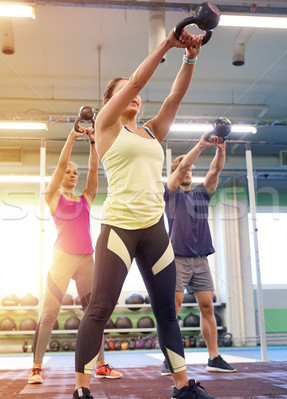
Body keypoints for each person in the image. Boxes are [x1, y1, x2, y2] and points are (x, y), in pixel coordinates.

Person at [72, 28, 217, 399]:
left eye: (136, 94)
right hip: (118, 227)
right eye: (125, 92)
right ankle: (82, 390)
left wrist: (190, 57)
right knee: (100, 308)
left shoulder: (152, 133)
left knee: (167, 310)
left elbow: (176, 95)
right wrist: (167, 43)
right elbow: (139, 78)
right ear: (111, 101)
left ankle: (182, 387)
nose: (134, 94)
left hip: (154, 228)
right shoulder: (106, 127)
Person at [27, 125, 122, 384]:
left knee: (94, 313)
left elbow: (94, 171)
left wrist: (93, 143)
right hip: (61, 260)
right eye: (68, 172)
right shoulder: (54, 198)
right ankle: (36, 367)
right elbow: (58, 168)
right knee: (49, 314)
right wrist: (72, 137)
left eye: (74, 172)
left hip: (86, 261)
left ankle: (101, 365)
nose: (71, 174)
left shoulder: (85, 199)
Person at [162, 133, 236, 375]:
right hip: (178, 259)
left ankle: (214, 357)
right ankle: (170, 358)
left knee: (207, 306)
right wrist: (201, 144)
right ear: (176, 173)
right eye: (185, 169)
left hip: (201, 259)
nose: (188, 172)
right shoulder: (170, 193)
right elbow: (183, 164)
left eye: (192, 170)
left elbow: (214, 171)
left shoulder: (201, 194)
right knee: (174, 307)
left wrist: (220, 149)